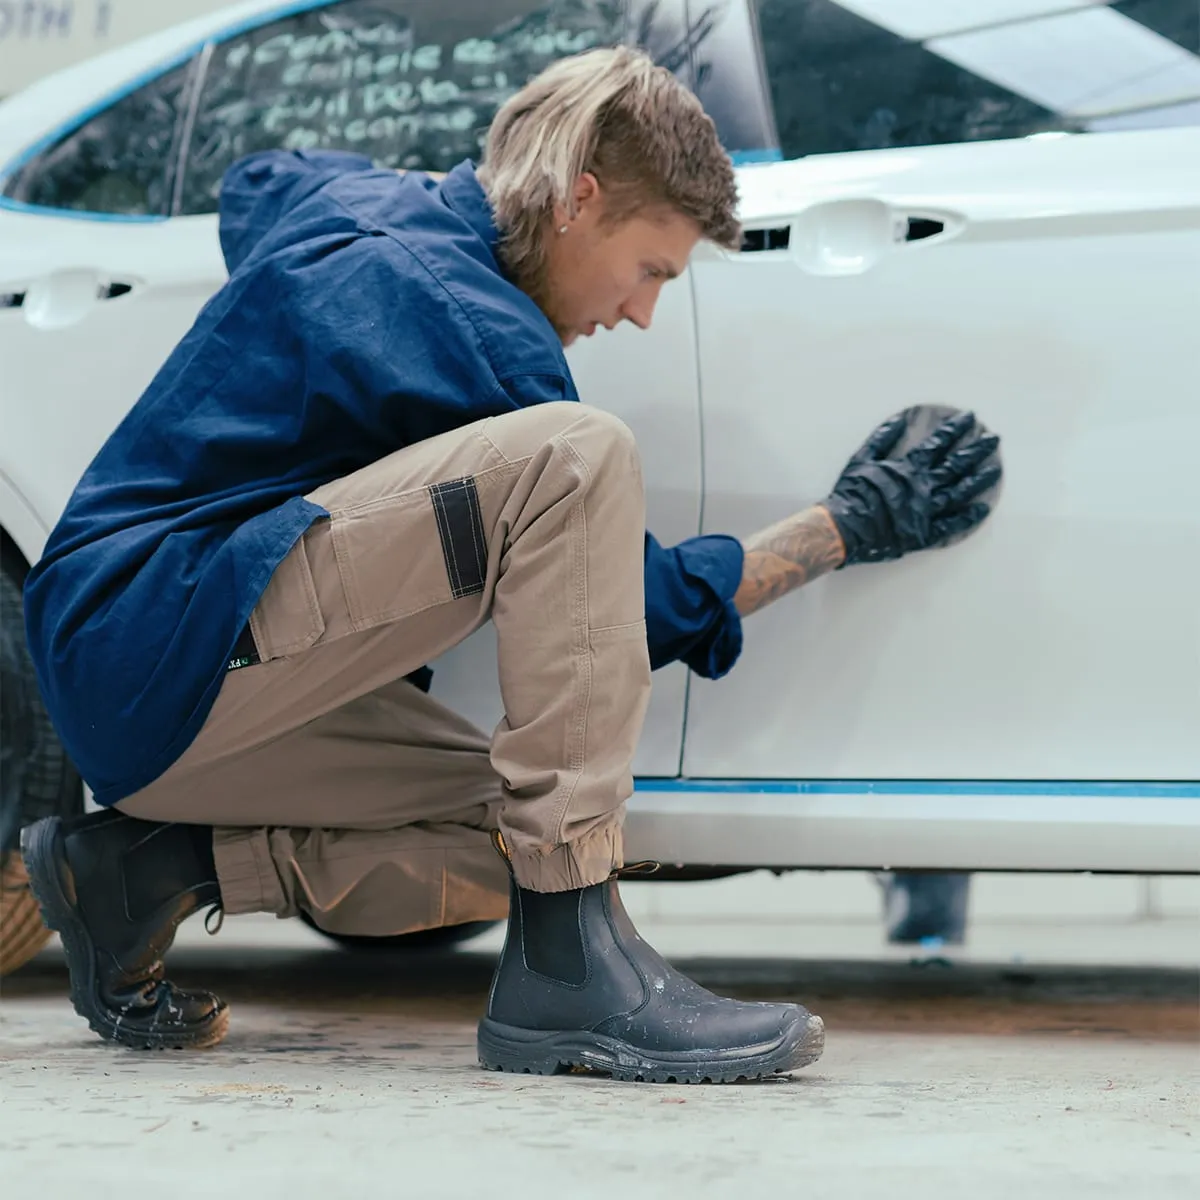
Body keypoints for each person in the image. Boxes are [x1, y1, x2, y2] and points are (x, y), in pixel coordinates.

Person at [20, 48, 999, 1082]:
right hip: (152, 632)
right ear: (579, 200)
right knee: (576, 455)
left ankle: (141, 870)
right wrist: (843, 528)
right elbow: (637, 606)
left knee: (519, 839)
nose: (642, 312)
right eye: (652, 269)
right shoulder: (472, 329)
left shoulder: (356, 205)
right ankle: (567, 983)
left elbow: (255, 181)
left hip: (165, 676)